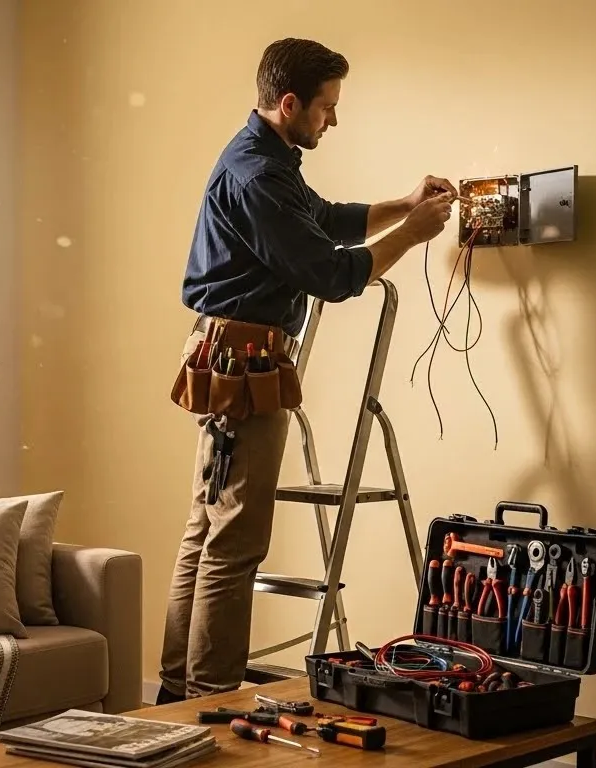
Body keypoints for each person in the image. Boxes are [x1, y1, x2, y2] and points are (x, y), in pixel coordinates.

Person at [157, 37, 457, 703]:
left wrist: (402, 205)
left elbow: (322, 220)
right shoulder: (258, 176)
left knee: (207, 532)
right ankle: (210, 699)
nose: (334, 120)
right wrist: (412, 235)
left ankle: (178, 695)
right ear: (289, 103)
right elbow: (329, 273)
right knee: (234, 542)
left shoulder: (266, 158)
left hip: (229, 353)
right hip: (242, 363)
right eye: (326, 107)